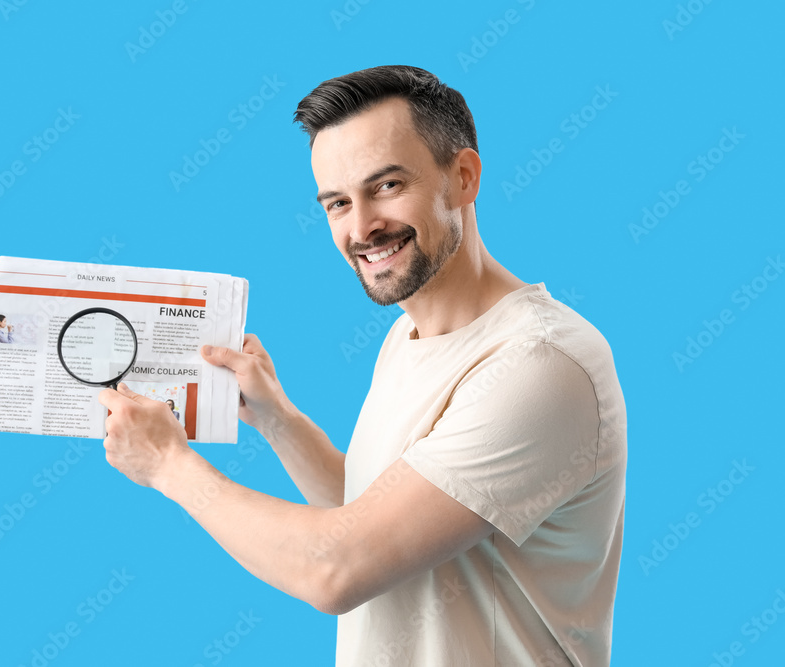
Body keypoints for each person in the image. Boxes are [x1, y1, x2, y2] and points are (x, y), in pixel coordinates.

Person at [97, 65, 626, 666]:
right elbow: (373, 519)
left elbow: (337, 568)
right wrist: (277, 420)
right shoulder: (408, 335)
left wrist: (168, 465)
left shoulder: (539, 364)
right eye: (337, 203)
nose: (361, 226)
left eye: (388, 185)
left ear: (463, 177)